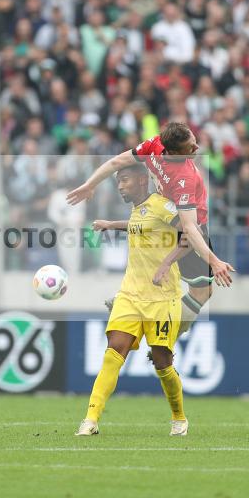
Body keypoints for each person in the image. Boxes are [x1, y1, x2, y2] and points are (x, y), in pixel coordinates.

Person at [67, 122, 234, 338]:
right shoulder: (184, 177)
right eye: (190, 147)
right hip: (181, 225)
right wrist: (214, 261)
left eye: (194, 141)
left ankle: (127, 303)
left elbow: (117, 161)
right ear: (173, 152)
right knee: (202, 291)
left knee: (162, 274)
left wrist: (91, 184)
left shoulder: (155, 144)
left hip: (159, 214)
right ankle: (165, 335)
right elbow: (190, 230)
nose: (197, 149)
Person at [77, 164, 189, 437]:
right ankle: (90, 420)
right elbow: (140, 225)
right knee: (115, 350)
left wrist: (165, 265)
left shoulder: (163, 206)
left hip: (163, 297)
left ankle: (179, 418)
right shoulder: (139, 209)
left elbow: (189, 237)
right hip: (130, 294)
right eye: (118, 181)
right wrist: (110, 225)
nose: (120, 185)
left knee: (162, 361)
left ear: (142, 180)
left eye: (124, 179)